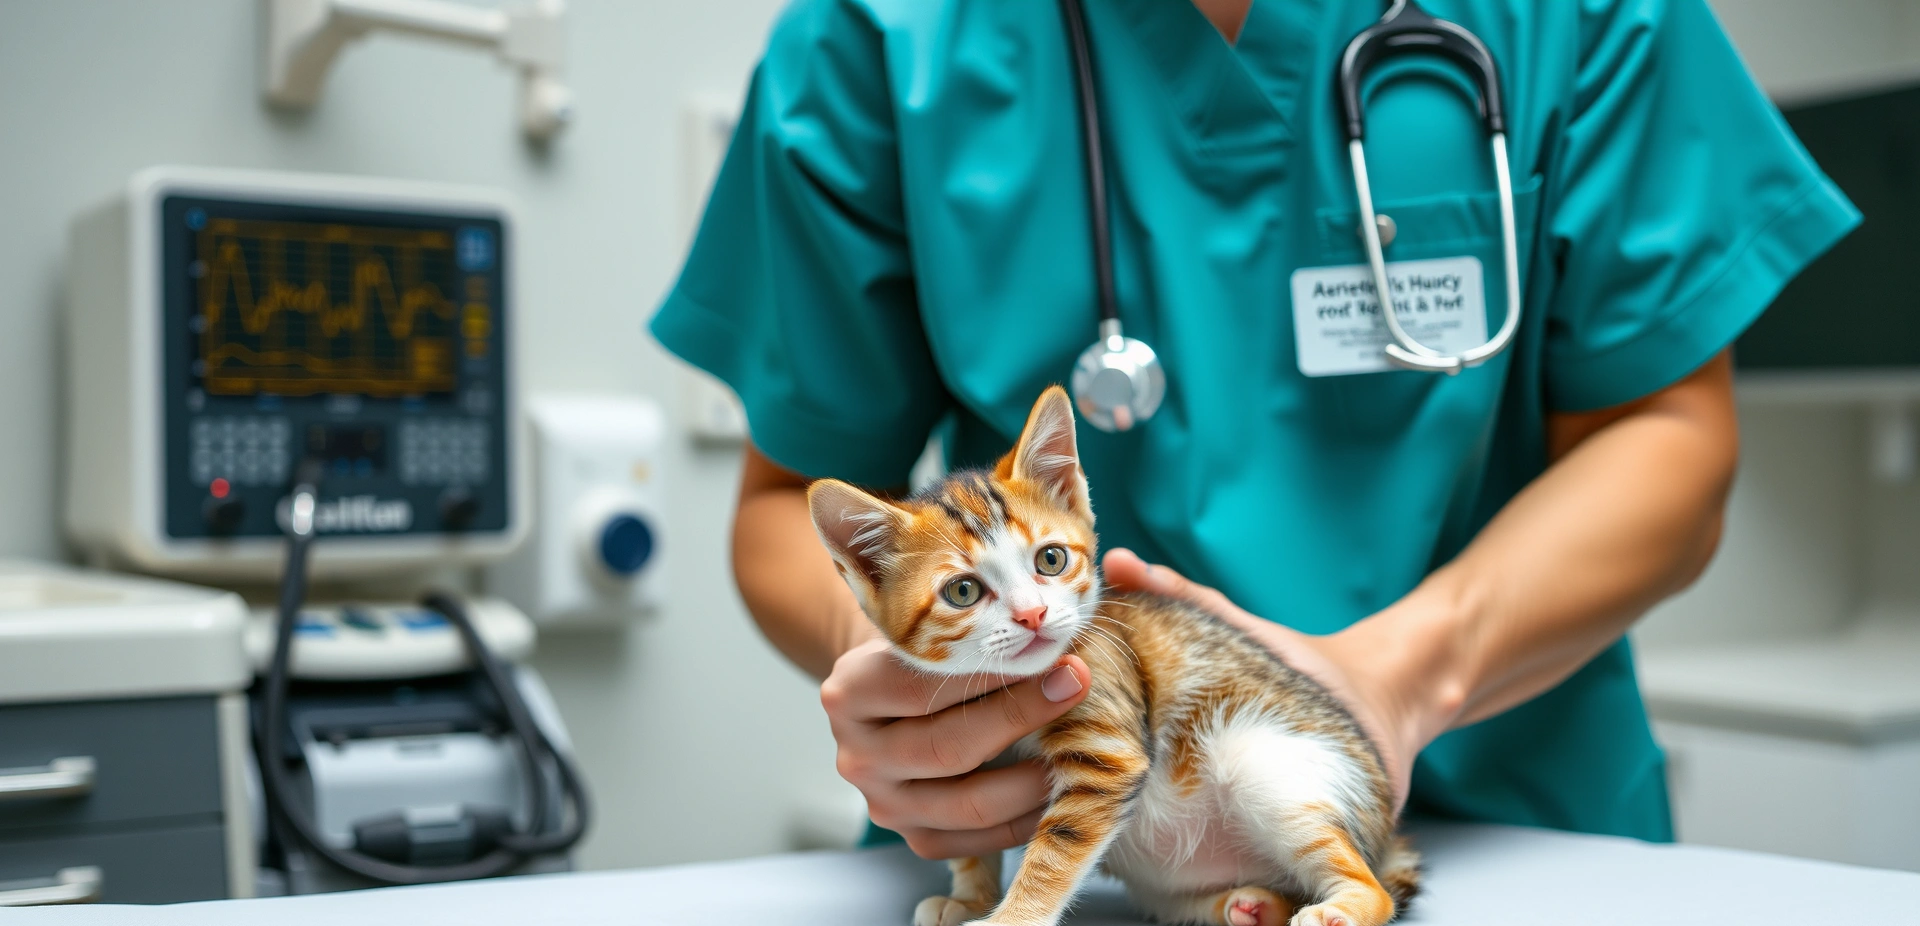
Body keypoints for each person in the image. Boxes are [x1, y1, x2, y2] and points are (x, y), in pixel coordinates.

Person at [650, 0, 1857, 859]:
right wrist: (933, 695)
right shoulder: (882, 34)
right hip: (1065, 847)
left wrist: (1394, 680)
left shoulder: (1579, 15)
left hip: (1509, 837)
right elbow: (793, 504)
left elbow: (1667, 435)